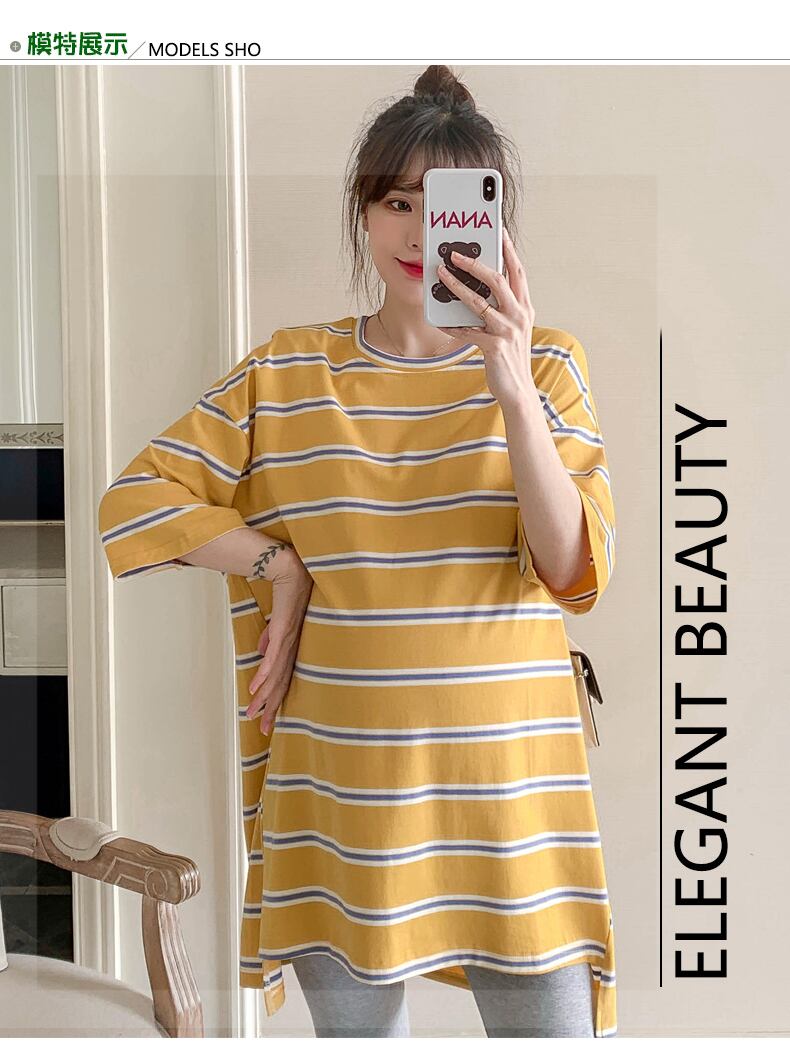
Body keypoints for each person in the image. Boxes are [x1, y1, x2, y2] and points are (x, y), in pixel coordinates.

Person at [98, 64, 618, 1038]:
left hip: (514, 805)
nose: (420, 233)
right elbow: (134, 500)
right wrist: (278, 565)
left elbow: (570, 566)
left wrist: (508, 380)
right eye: (396, 202)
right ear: (363, 214)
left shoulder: (547, 364)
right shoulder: (289, 371)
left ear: (493, 222)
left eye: (447, 206)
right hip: (340, 801)